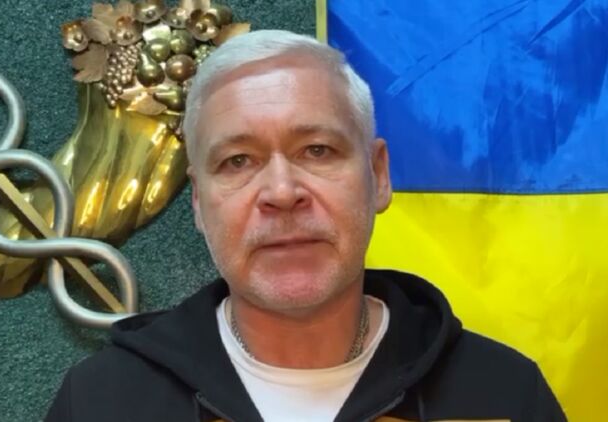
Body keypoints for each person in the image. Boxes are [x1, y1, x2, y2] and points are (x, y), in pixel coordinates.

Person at [46, 30, 567, 422]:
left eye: (317, 150)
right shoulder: (102, 402)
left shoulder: (502, 396)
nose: (281, 192)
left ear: (378, 176)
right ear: (199, 202)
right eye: (238, 161)